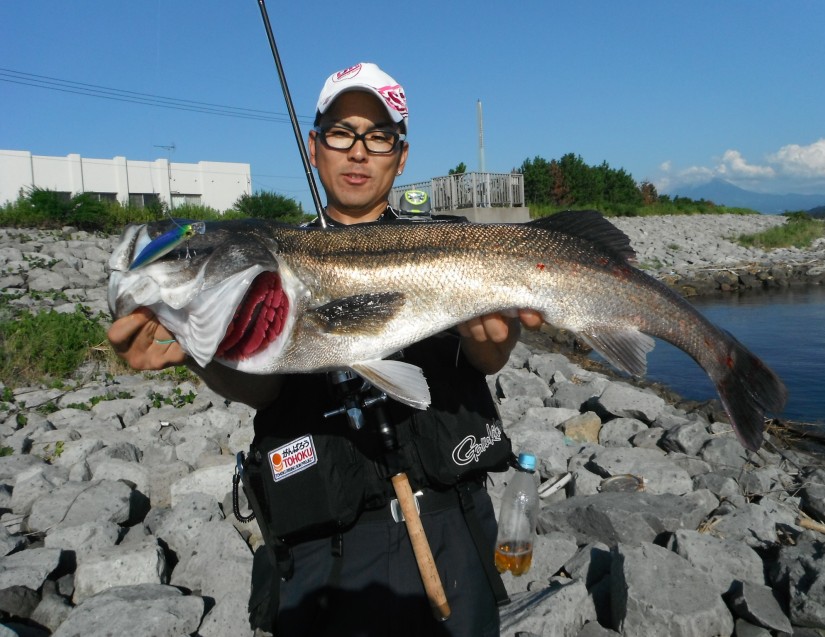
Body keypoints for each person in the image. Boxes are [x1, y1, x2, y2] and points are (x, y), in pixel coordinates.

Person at [108, 62, 542, 637]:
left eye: (379, 135)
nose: (359, 151)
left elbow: (487, 360)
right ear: (315, 147)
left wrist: (494, 347)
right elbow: (265, 387)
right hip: (324, 546)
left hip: (453, 527)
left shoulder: (453, 243)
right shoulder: (264, 268)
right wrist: (195, 349)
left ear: (401, 155)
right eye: (341, 132)